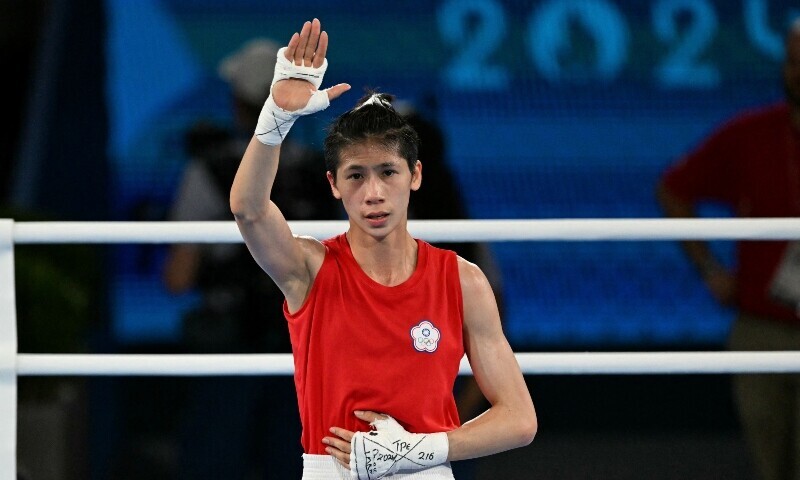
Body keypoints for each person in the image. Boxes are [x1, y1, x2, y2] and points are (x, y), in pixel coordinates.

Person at [230, 17, 537, 480]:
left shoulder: (462, 281)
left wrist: (417, 451)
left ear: (414, 175)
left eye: (387, 173)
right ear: (333, 184)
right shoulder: (309, 268)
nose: (373, 193)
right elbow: (249, 211)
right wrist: (274, 120)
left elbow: (519, 418)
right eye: (356, 175)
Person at [162, 37, 337, 479]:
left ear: (239, 104)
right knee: (297, 460)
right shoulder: (327, 175)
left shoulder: (207, 170)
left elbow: (177, 278)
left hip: (231, 348)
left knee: (216, 462)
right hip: (304, 345)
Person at [657, 19, 800, 480]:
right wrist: (709, 269)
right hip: (764, 326)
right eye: (795, 61)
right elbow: (674, 189)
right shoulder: (749, 135)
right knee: (770, 464)